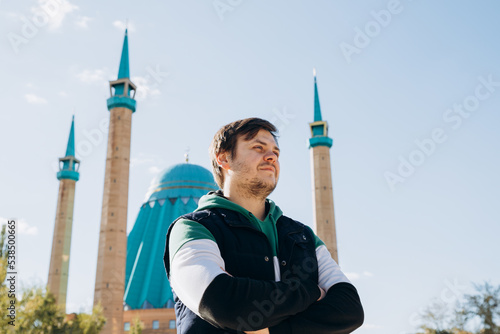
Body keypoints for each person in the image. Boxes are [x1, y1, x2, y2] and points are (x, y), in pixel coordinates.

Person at [164, 118, 364, 334]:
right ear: (223, 158)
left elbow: (349, 310)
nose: (271, 157)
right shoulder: (193, 229)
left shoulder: (303, 237)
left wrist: (269, 330)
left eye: (275, 153)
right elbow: (222, 303)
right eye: (258, 148)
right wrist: (312, 292)